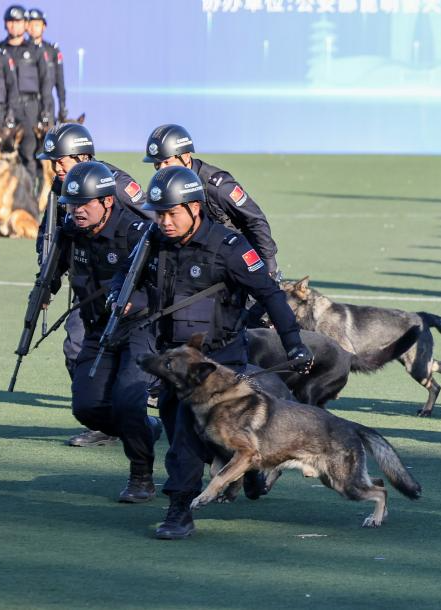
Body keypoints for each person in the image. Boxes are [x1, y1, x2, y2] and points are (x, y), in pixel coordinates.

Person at [116, 166, 312, 539]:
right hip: (175, 364)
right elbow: (131, 282)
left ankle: (179, 511)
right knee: (179, 433)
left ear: (194, 208)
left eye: (172, 213)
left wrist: (295, 345)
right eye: (159, 214)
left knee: (188, 438)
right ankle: (250, 467)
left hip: (219, 365)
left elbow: (271, 294)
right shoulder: (151, 242)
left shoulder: (231, 248)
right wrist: (119, 297)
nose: (164, 221)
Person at [49, 161, 163, 502]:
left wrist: (137, 300)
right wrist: (47, 287)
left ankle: (141, 476)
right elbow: (58, 263)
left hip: (140, 327)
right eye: (71, 204)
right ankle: (147, 428)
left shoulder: (137, 232)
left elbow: (162, 281)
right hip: (100, 327)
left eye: (84, 204)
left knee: (129, 402)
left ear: (107, 202)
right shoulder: (72, 230)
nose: (76, 211)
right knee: (87, 409)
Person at [36, 122, 150, 447]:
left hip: (127, 288)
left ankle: (136, 412)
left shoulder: (117, 184)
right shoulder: (62, 188)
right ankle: (106, 419)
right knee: (76, 346)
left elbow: (153, 229)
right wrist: (46, 282)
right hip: (88, 284)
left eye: (61, 160)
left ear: (83, 155)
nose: (56, 168)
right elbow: (52, 235)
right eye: (53, 162)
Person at [142, 124, 280, 277]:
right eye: (157, 164)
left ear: (186, 156)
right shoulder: (164, 185)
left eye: (167, 162)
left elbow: (255, 220)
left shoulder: (217, 186)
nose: (161, 168)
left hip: (231, 258)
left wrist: (269, 268)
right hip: (196, 260)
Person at [0, 4, 51, 166]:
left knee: (30, 155)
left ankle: (30, 192)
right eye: (10, 21)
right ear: (5, 24)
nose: (14, 25)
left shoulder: (36, 50)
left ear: (26, 24)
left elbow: (45, 83)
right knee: (3, 155)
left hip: (31, 108)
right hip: (5, 110)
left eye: (18, 21)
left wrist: (45, 111)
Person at [25, 8, 66, 123]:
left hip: (47, 102)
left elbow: (60, 81)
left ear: (44, 27)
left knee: (48, 138)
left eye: (37, 24)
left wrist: (62, 105)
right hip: (26, 104)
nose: (33, 28)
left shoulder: (52, 50)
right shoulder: (21, 51)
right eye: (30, 24)